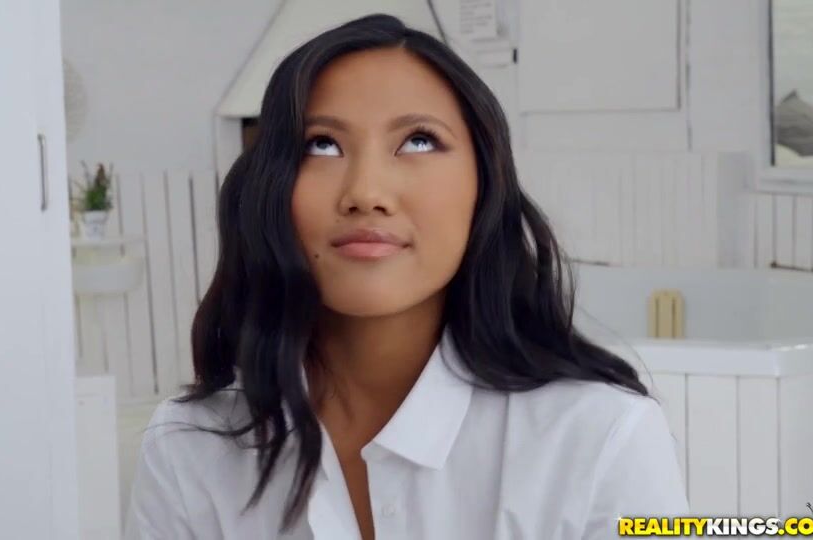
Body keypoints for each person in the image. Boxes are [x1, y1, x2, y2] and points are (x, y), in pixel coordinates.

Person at [123, 13, 689, 540]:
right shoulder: (186, 446)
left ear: (484, 186)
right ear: (269, 188)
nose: (366, 192)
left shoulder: (603, 436)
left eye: (419, 140)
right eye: (321, 145)